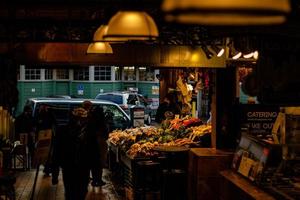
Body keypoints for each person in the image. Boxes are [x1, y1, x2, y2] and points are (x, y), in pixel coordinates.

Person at [60, 101, 92, 200]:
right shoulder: (64, 131)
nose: (79, 122)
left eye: (82, 119)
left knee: (80, 191)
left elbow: (93, 152)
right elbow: (58, 150)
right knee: (72, 192)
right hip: (71, 167)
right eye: (78, 119)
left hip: (80, 167)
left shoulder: (89, 132)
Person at [87, 106, 109, 187]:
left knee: (93, 162)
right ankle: (98, 180)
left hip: (91, 144)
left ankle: (94, 180)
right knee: (100, 163)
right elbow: (106, 133)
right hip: (101, 144)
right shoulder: (102, 121)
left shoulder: (90, 120)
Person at [35, 104, 56, 176]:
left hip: (42, 136)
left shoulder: (39, 115)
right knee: (48, 153)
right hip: (48, 135)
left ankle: (45, 167)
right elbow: (55, 123)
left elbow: (37, 125)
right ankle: (47, 168)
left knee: (43, 152)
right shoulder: (49, 115)